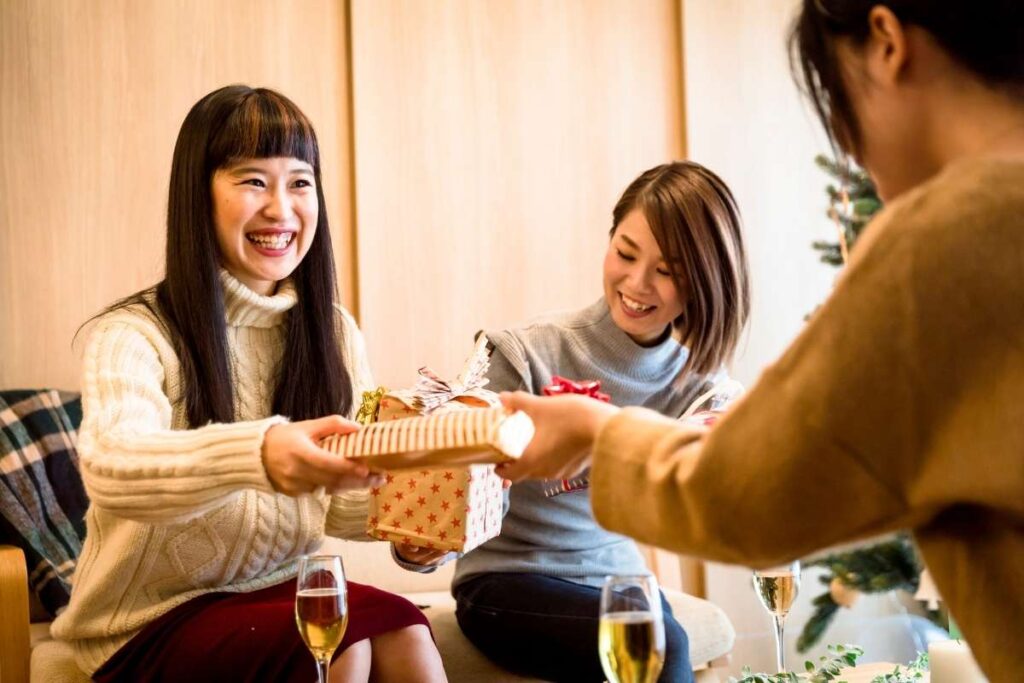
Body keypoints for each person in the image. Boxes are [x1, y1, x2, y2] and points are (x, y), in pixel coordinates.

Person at [497, 2, 1024, 681]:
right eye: (627, 253)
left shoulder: (946, 243)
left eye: (834, 94)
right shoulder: (525, 346)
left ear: (888, 43)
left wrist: (597, 432)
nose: (848, 143)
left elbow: (742, 494)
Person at [52, 85, 447, 683]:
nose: (281, 209)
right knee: (345, 645)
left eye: (299, 182)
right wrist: (260, 453)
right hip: (141, 624)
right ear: (198, 195)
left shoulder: (332, 331)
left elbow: (339, 503)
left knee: (404, 627)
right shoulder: (134, 332)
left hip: (280, 590)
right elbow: (112, 467)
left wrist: (413, 526)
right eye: (253, 181)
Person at [451, 160, 750, 682]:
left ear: (704, 279)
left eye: (667, 269)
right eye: (625, 253)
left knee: (653, 633)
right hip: (506, 579)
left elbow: (714, 490)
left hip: (619, 579)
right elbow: (452, 487)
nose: (636, 283)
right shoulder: (522, 352)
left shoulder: (704, 387)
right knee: (658, 640)